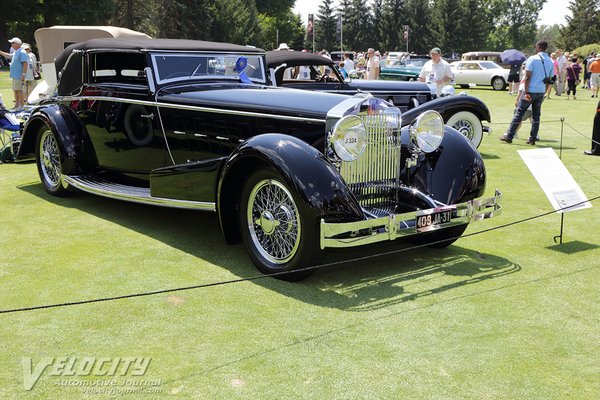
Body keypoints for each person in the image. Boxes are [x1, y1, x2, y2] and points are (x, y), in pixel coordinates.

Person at [499, 40, 554, 146]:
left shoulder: (532, 59)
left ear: (538, 47)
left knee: (519, 113)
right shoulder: (550, 61)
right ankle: (532, 138)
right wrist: (544, 92)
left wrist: (527, 92)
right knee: (536, 116)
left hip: (530, 90)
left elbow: (528, 77)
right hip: (540, 91)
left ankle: (509, 135)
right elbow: (549, 80)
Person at [0, 37, 28, 111]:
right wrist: (1, 52)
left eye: (13, 43)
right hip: (15, 76)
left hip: (19, 75)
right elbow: (9, 56)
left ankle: (21, 106)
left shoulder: (22, 52)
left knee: (19, 91)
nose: (11, 44)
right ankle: (17, 105)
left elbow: (25, 63)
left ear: (17, 44)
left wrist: (23, 74)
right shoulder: (16, 52)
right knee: (15, 90)